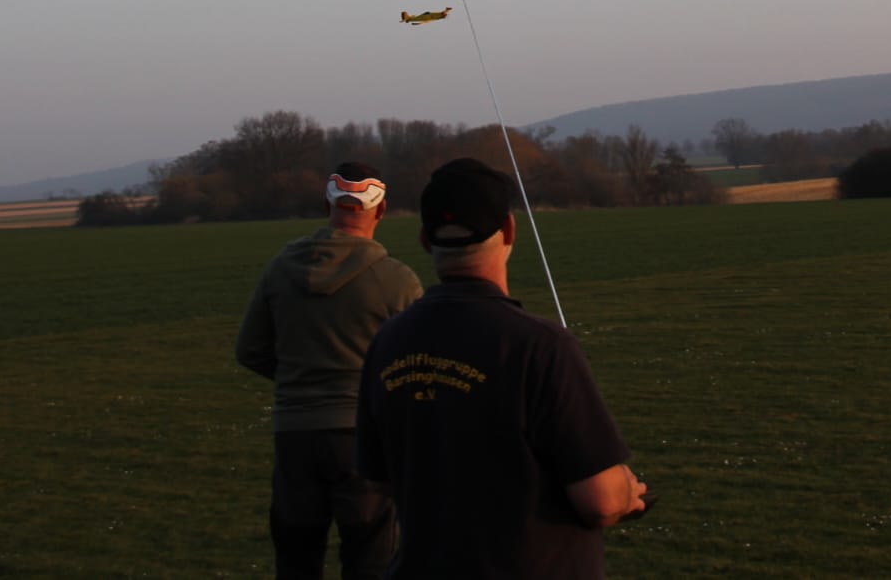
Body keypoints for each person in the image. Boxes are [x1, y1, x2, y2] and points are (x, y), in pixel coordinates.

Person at [356, 157, 647, 579]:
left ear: (424, 240)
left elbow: (379, 478)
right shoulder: (541, 346)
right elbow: (600, 502)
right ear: (509, 230)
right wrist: (626, 490)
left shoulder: (387, 341)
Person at [237, 164, 424, 580]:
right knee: (371, 559)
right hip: (365, 440)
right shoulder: (397, 281)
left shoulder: (280, 268)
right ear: (382, 210)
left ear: (327, 205)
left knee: (296, 560)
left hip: (294, 436)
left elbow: (249, 350)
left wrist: (298, 381)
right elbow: (417, 366)